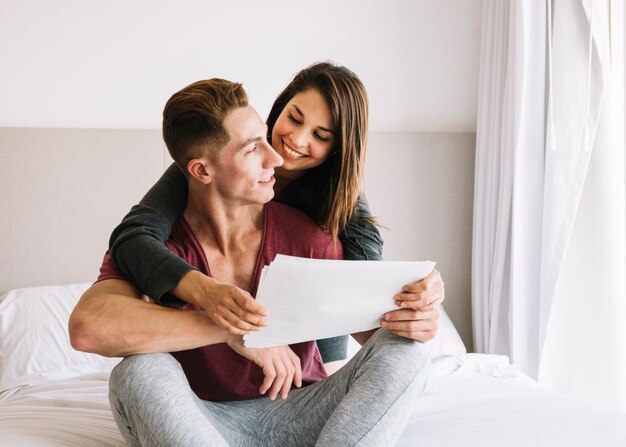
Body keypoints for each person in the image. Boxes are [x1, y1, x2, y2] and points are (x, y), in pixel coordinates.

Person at [70, 78, 431, 446]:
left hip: (303, 411)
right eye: (252, 148)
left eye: (321, 136)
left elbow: (375, 327)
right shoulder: (151, 247)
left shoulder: (311, 235)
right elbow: (88, 328)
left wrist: (419, 307)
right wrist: (232, 329)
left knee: (406, 352)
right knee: (137, 370)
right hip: (198, 420)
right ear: (201, 171)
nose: (278, 155)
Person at [107, 62, 445, 368]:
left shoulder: (344, 204)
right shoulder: (213, 165)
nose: (294, 140)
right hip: (217, 357)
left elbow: (369, 295)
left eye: (320, 135)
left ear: (339, 148)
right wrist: (206, 292)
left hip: (313, 358)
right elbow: (133, 237)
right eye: (294, 118)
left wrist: (419, 303)